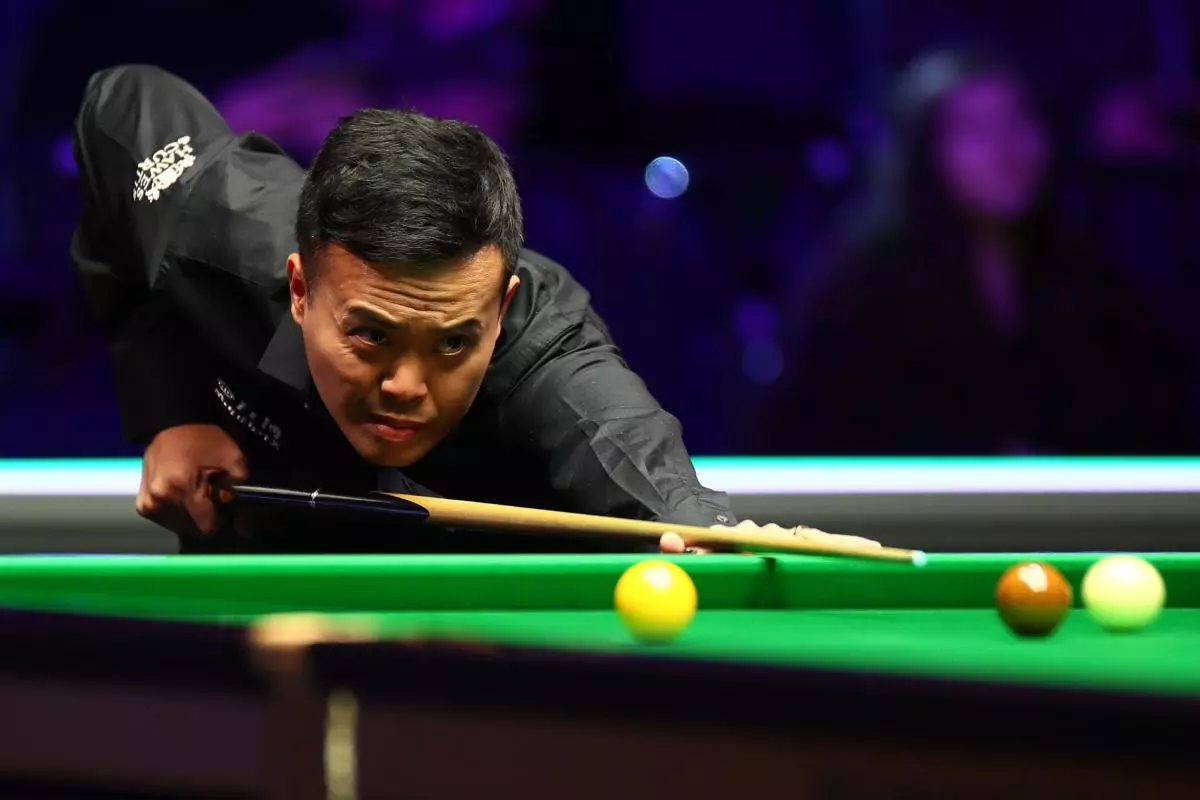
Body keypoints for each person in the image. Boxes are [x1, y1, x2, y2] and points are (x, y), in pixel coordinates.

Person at [71, 64, 871, 555]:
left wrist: (703, 524)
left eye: (453, 343)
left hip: (481, 656)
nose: (407, 386)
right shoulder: (214, 221)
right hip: (254, 580)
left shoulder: (543, 349)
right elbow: (118, 104)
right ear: (301, 286)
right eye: (371, 335)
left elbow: (624, 445)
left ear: (503, 306)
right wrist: (171, 410)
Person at [759, 50, 1195, 456]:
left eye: (1018, 122)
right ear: (925, 152)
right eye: (975, 130)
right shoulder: (858, 296)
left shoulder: (1091, 282)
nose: (1006, 150)